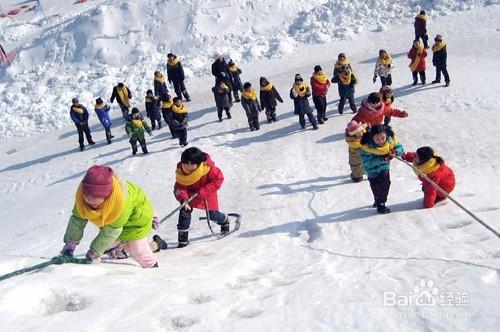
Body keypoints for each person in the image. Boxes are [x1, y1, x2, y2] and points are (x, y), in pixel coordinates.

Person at [60, 165, 158, 268]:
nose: (89, 201)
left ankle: (152, 267)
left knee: (138, 250)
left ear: (107, 197)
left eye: (95, 200)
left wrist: (94, 253)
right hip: (113, 224)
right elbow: (77, 221)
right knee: (107, 243)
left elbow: (111, 232)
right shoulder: (82, 199)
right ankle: (117, 246)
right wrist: (70, 245)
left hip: (136, 221)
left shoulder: (121, 203)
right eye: (87, 197)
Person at [174, 147, 229, 248]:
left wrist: (203, 191)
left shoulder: (208, 168)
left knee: (212, 214)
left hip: (207, 192)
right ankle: (182, 239)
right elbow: (180, 186)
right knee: (184, 210)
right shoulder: (181, 171)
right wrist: (183, 198)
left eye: (192, 164)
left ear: (199, 163)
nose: (189, 166)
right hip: (190, 194)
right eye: (187, 163)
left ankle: (224, 221)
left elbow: (218, 179)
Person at [360, 125, 404, 214]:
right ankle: (377, 199)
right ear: (372, 138)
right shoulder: (367, 146)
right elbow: (367, 162)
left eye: (383, 138)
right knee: (375, 186)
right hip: (371, 169)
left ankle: (381, 204)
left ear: (386, 135)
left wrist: (395, 152)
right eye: (377, 139)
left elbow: (399, 148)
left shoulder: (390, 141)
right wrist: (382, 159)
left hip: (384, 167)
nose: (380, 141)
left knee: (385, 184)